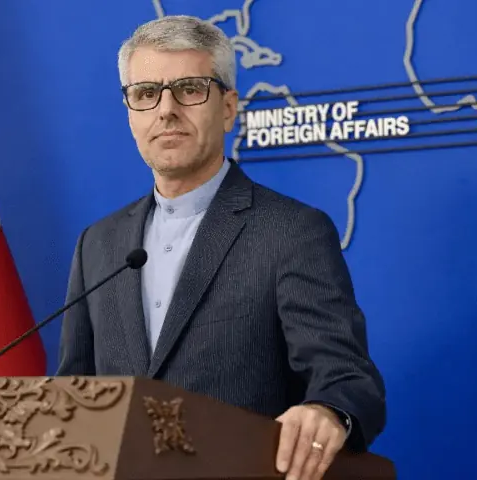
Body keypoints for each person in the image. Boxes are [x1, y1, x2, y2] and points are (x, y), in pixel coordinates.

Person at [56, 15, 386, 480]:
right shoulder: (98, 244)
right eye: (146, 93)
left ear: (229, 108)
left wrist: (327, 411)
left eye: (189, 89)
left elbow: (347, 376)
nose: (166, 110)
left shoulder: (291, 231)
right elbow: (73, 393)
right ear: (131, 113)